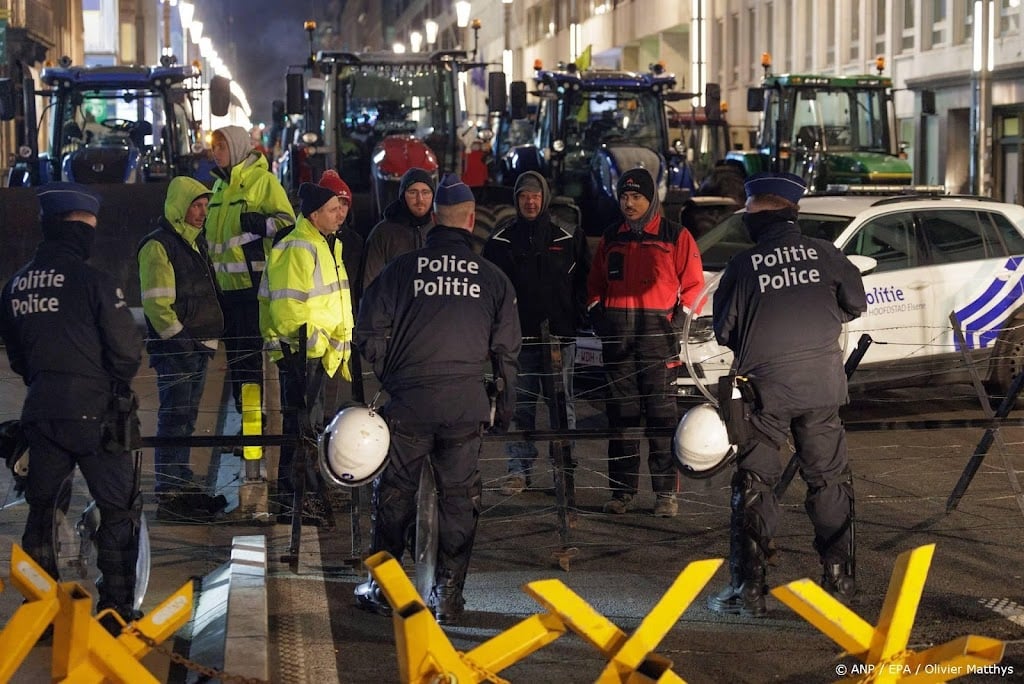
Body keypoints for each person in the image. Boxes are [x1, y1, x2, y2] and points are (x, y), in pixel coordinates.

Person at [353, 173, 521, 624]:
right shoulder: (493, 278)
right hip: (465, 405)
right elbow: (507, 353)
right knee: (459, 498)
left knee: (394, 492)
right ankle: (448, 594)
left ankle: (382, 587)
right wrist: (504, 407)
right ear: (470, 221)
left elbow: (367, 332)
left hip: (408, 404)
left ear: (434, 219)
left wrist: (392, 376)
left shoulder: (402, 270)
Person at [707, 172, 867, 617]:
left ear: (761, 215)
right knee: (830, 479)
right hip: (821, 387)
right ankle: (839, 579)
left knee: (756, 481)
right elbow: (856, 302)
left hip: (765, 393)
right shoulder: (826, 254)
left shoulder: (743, 265)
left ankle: (750, 588)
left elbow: (723, 331)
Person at [0, 182, 144, 626]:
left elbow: (19, 356)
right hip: (98, 415)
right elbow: (126, 353)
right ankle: (115, 611)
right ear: (77, 228)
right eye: (89, 226)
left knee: (42, 509)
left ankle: (40, 610)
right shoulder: (95, 281)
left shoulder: (16, 286)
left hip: (41, 413)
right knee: (118, 510)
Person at [587, 167, 705, 517]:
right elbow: (594, 285)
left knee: (660, 420)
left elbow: (695, 286)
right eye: (624, 196)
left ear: (651, 199)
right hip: (618, 342)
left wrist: (679, 322)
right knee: (621, 421)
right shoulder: (611, 238)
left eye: (636, 196)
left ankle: (665, 495)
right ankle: (622, 494)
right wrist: (599, 315)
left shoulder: (675, 236)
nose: (629, 203)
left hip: (657, 343)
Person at [482, 170, 590, 495]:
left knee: (562, 408)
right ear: (516, 200)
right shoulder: (500, 242)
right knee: (519, 407)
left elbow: (583, 282)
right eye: (524, 196)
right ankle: (518, 471)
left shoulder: (567, 238)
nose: (530, 201)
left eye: (536, 195)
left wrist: (575, 317)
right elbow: (489, 291)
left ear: (545, 198)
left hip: (559, 339)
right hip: (519, 341)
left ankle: (564, 471)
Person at [259, 182, 354, 524]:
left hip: (317, 355)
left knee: (307, 429)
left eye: (342, 206)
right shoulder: (300, 246)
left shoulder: (324, 244)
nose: (340, 213)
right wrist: (318, 344)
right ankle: (297, 499)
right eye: (333, 208)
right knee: (299, 429)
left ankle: (307, 494)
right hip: (303, 356)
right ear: (314, 215)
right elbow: (287, 312)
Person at [138, 177, 227, 522]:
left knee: (185, 418)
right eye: (196, 205)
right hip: (178, 349)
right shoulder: (159, 246)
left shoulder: (193, 242)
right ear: (179, 205)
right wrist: (183, 343)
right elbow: (158, 306)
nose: (202, 213)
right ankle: (170, 489)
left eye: (206, 206)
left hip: (195, 347)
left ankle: (181, 481)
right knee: (175, 418)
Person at [205, 125, 295, 419]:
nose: (215, 153)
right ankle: (247, 424)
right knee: (236, 363)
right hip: (226, 290)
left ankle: (253, 430)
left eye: (221, 147)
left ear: (237, 147)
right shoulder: (218, 186)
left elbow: (287, 223)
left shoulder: (262, 181)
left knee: (250, 363)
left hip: (252, 288)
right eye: (214, 147)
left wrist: (260, 224)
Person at [361, 167, 435, 289]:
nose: (420, 199)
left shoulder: (440, 231)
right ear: (402, 196)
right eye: (412, 192)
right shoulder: (383, 233)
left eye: (426, 192)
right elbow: (370, 284)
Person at [318, 169, 364, 310]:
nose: (341, 210)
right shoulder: (302, 240)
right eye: (336, 202)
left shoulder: (354, 242)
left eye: (345, 203)